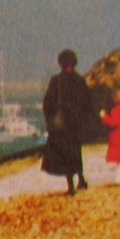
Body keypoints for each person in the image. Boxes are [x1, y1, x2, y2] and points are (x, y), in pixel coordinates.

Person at [42, 49, 92, 196]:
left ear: (60, 63)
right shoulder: (80, 80)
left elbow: (47, 103)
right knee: (76, 152)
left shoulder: (56, 81)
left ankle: (71, 187)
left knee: (65, 155)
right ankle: (81, 179)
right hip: (76, 124)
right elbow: (87, 102)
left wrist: (50, 121)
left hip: (62, 125)